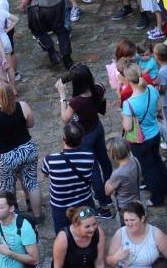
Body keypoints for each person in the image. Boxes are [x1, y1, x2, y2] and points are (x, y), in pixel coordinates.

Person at [56, 64, 112, 219]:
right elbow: (101, 90)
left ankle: (104, 207)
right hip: (97, 128)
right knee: (105, 161)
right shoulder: (98, 89)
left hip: (84, 137)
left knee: (93, 171)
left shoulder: (76, 102)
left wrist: (62, 96)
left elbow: (65, 118)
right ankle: (109, 193)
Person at [0, 80, 41, 220]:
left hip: (7, 157)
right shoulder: (23, 105)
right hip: (27, 150)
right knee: (32, 183)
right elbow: (31, 124)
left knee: (8, 188)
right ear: (12, 91)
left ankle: (13, 217)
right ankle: (38, 215)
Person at [121, 62, 167, 207]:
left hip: (141, 141)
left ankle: (157, 198)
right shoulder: (151, 89)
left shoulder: (129, 104)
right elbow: (158, 108)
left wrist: (124, 116)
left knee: (148, 169)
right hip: (155, 134)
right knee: (157, 161)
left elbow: (127, 127)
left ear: (127, 80)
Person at [42, 122, 94, 233]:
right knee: (86, 231)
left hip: (61, 208)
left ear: (64, 138)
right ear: (81, 139)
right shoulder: (89, 157)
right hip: (84, 203)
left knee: (64, 234)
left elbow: (45, 174)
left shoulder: (50, 160)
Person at [106, 203, 167, 267]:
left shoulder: (155, 234)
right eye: (126, 220)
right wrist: (115, 258)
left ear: (142, 219)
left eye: (132, 220)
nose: (129, 224)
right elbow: (108, 262)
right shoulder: (120, 233)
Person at [104, 138, 141, 214]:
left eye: (108, 151)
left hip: (124, 206)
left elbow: (107, 192)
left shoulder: (117, 173)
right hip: (137, 198)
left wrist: (108, 181)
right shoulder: (135, 160)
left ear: (113, 154)